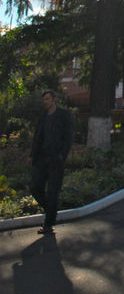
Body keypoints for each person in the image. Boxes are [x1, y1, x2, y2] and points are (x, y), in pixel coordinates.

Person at [31, 90, 73, 235]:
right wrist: (33, 156)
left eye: (48, 99)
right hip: (42, 158)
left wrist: (62, 155)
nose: (46, 102)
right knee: (35, 188)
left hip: (56, 159)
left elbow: (68, 137)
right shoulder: (43, 117)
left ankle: (48, 225)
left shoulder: (64, 115)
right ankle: (52, 210)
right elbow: (37, 137)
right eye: (44, 100)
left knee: (53, 191)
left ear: (54, 99)